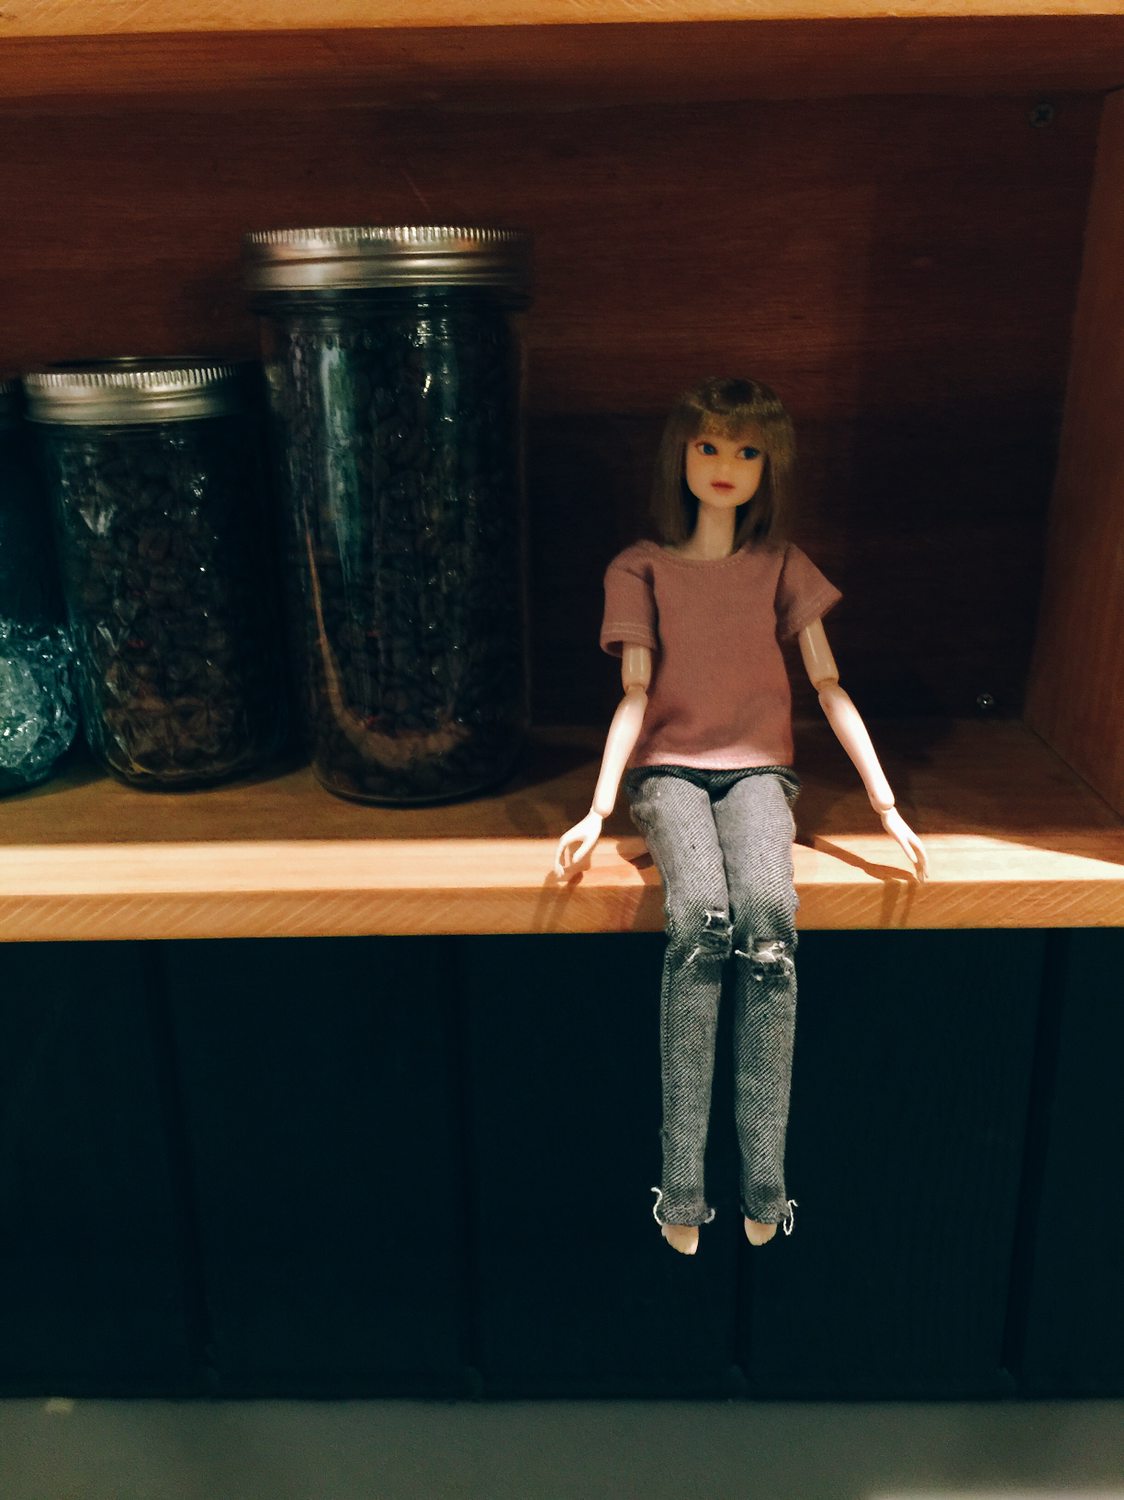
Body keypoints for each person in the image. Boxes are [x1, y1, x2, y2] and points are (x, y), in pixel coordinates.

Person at [553, 377, 927, 1256]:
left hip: (759, 769)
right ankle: (680, 1189)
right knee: (699, 920)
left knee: (767, 917)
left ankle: (767, 1183)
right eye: (709, 445)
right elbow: (635, 693)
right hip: (667, 772)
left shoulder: (782, 566)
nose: (726, 464)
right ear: (680, 455)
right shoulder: (641, 568)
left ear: (770, 465)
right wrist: (600, 806)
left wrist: (885, 803)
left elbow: (829, 684)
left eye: (748, 449)